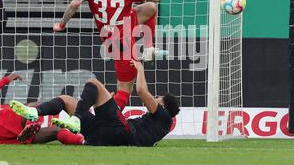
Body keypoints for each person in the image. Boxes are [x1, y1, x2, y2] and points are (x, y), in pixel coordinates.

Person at [53, 0, 167, 112]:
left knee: (149, 8)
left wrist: (61, 24)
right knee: (125, 90)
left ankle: (148, 49)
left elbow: (75, 4)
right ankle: (106, 120)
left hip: (111, 35)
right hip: (124, 44)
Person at [11, 60, 180, 147]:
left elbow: (142, 91)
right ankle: (36, 112)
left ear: (164, 106)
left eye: (158, 98)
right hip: (102, 136)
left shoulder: (163, 116)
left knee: (93, 83)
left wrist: (140, 69)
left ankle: (75, 119)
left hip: (122, 132)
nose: (155, 98)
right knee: (68, 101)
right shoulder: (157, 124)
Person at [0, 73, 85, 145]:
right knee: (32, 108)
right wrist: (6, 79)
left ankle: (83, 142)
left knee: (56, 130)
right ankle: (30, 125)